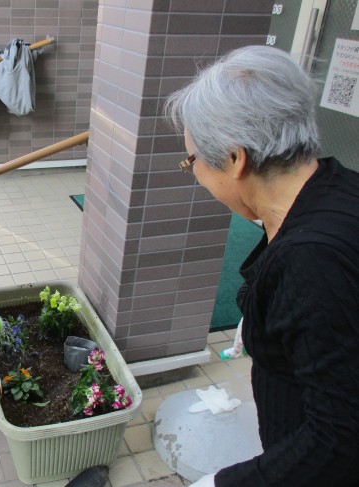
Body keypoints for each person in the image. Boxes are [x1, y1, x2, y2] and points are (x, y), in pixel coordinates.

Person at [165, 45, 359, 486]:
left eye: (192, 160)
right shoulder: (339, 188)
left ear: (235, 159)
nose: (193, 172)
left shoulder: (313, 260)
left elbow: (340, 440)